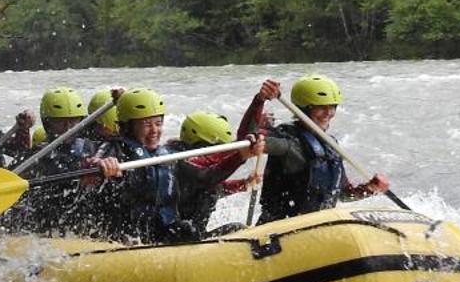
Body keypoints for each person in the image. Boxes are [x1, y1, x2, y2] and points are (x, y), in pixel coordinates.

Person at [88, 89, 254, 244]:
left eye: (158, 123)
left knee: (233, 230)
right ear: (128, 126)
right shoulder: (114, 149)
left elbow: (205, 178)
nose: (155, 130)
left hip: (164, 232)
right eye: (146, 124)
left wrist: (241, 156)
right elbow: (93, 163)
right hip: (127, 237)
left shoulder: (167, 156)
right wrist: (102, 165)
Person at [240, 75, 389, 223]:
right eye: (321, 107)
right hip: (280, 229)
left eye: (332, 107)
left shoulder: (331, 145)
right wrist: (260, 100)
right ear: (304, 109)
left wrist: (369, 188)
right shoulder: (286, 140)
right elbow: (247, 139)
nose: (328, 113)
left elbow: (343, 194)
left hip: (317, 228)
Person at [0, 87, 95, 234]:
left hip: (80, 218)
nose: (68, 128)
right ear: (48, 124)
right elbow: (6, 183)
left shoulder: (92, 148)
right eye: (61, 122)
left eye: (73, 121)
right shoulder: (35, 156)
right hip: (47, 221)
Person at [164, 110, 261, 236]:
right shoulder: (179, 163)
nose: (218, 157)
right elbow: (205, 178)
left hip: (194, 234)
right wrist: (240, 157)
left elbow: (211, 188)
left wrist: (243, 184)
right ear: (199, 145)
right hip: (175, 237)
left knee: (238, 229)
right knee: (238, 229)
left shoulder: (191, 163)